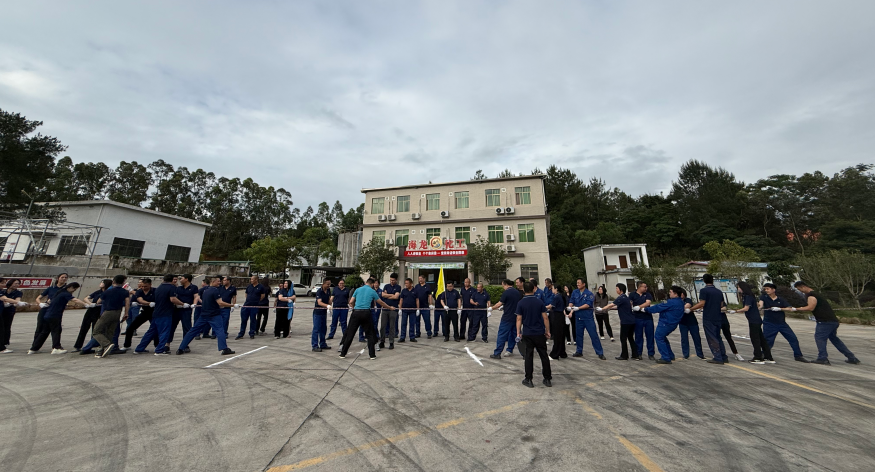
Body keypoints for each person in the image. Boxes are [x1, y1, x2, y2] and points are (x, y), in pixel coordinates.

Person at [791, 281, 860, 365]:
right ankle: (852, 357)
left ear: (803, 286)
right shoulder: (817, 294)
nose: (800, 291)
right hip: (832, 321)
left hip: (824, 321)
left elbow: (810, 307)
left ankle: (822, 358)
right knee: (835, 340)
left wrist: (796, 309)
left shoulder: (811, 295)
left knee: (819, 338)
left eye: (799, 289)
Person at [176, 275, 235, 356]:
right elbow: (220, 303)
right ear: (213, 282)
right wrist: (232, 305)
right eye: (218, 281)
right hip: (214, 315)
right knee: (220, 331)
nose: (220, 282)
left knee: (193, 331)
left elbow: (198, 296)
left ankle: (181, 348)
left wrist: (196, 303)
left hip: (204, 314)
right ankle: (224, 348)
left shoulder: (204, 290)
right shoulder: (215, 291)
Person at [339, 278, 393, 360]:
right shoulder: (372, 291)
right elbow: (381, 302)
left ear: (365, 283)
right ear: (372, 284)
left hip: (356, 312)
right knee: (370, 334)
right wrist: (389, 307)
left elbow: (351, 302)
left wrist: (354, 307)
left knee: (350, 333)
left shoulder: (358, 290)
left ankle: (343, 353)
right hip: (366, 313)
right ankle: (372, 355)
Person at [29, 282, 85, 355]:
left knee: (44, 332)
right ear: (70, 287)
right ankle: (56, 347)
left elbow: (50, 301)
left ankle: (34, 348)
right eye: (74, 289)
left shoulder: (58, 293)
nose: (74, 290)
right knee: (56, 331)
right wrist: (86, 304)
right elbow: (75, 300)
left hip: (48, 314)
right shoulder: (65, 293)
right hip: (55, 315)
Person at [758, 283, 809, 363]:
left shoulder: (780, 299)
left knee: (793, 339)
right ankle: (763, 354)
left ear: (773, 289)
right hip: (769, 323)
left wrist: (780, 309)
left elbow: (789, 308)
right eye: (765, 289)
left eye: (768, 289)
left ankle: (798, 356)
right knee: (768, 341)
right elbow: (760, 305)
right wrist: (757, 306)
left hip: (781, 323)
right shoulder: (764, 297)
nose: (766, 290)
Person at [516, 281, 552, 388]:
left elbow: (519, 319)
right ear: (533, 289)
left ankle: (528, 379)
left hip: (528, 332)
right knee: (543, 355)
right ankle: (547, 378)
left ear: (524, 290)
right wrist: (547, 330)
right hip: (539, 332)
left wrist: (518, 332)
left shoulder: (521, 303)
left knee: (529, 355)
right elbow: (545, 318)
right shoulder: (539, 302)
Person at [690, 274, 729, 364]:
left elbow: (702, 303)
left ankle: (717, 357)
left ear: (704, 280)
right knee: (718, 336)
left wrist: (691, 309)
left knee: (711, 337)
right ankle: (723, 356)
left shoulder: (704, 291)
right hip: (718, 316)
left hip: (709, 317)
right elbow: (721, 304)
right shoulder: (719, 291)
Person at [731, 282, 774, 364]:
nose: (738, 289)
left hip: (754, 320)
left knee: (755, 339)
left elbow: (746, 308)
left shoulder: (747, 296)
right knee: (761, 339)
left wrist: (735, 311)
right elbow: (757, 305)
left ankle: (758, 357)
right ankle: (768, 357)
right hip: (756, 320)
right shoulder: (750, 296)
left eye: (739, 287)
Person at [134, 274, 177, 355]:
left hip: (156, 312)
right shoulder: (171, 288)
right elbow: (173, 299)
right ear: (172, 280)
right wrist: (182, 304)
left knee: (151, 332)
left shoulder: (159, 287)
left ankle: (139, 348)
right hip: (165, 313)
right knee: (164, 331)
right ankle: (159, 350)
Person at [644, 286, 686, 364]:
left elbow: (658, 307)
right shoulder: (681, 302)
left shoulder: (671, 302)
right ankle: (670, 355)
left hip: (666, 323)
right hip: (673, 323)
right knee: (663, 338)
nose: (669, 293)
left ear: (675, 294)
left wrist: (645, 309)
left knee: (659, 337)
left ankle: (666, 357)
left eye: (671, 292)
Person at [92, 274, 130, 357]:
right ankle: (103, 350)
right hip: (118, 312)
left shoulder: (107, 291)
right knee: (110, 331)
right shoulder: (125, 292)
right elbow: (127, 303)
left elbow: (98, 301)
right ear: (123, 283)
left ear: (113, 281)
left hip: (108, 312)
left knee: (96, 331)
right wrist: (126, 313)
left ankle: (106, 345)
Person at [568, 279, 606, 360]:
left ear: (583, 284)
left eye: (579, 283)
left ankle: (600, 352)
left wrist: (578, 308)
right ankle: (579, 351)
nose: (577, 284)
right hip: (578, 318)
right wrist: (570, 306)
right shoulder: (575, 292)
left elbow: (588, 305)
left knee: (593, 335)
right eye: (577, 283)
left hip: (588, 318)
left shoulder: (589, 294)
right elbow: (571, 301)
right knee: (578, 335)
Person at [602, 283, 639, 360]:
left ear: (621, 290)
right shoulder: (626, 298)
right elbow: (618, 307)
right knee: (630, 338)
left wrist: (602, 309)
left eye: (617, 288)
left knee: (623, 338)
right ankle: (635, 355)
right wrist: (610, 309)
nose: (616, 290)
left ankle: (624, 355)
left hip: (626, 321)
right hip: (632, 320)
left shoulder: (621, 298)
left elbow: (611, 304)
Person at [71, 279, 108, 352]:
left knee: (95, 329)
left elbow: (101, 302)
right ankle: (78, 346)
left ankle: (92, 345)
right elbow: (86, 298)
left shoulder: (107, 292)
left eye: (102, 282)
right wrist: (90, 303)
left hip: (99, 311)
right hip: (91, 310)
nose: (101, 283)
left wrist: (97, 304)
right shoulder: (98, 292)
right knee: (84, 328)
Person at [489, 279, 523, 359]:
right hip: (516, 318)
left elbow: (499, 303)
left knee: (502, 335)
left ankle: (497, 353)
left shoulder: (506, 292)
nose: (503, 287)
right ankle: (523, 353)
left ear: (506, 284)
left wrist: (491, 308)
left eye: (503, 285)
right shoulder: (517, 292)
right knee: (517, 335)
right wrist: (504, 307)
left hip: (507, 318)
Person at [33, 272, 68, 343]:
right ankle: (35, 344)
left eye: (65, 277)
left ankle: (56, 345)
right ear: (58, 278)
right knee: (40, 326)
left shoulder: (66, 290)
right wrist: (40, 304)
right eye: (62, 277)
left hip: (56, 311)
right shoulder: (51, 288)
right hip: (46, 309)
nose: (64, 279)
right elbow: (38, 298)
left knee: (56, 329)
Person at [123, 278, 156, 350]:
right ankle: (127, 345)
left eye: (145, 286)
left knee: (155, 329)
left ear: (150, 285)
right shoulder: (139, 291)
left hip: (154, 312)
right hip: (145, 312)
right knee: (130, 328)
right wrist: (149, 303)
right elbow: (140, 300)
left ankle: (157, 346)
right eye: (142, 286)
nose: (143, 288)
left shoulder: (155, 291)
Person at [629, 282, 655, 360]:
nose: (646, 288)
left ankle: (651, 353)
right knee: (638, 336)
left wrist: (639, 307)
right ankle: (638, 353)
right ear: (639, 287)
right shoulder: (632, 294)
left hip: (648, 318)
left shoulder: (647, 294)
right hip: (637, 318)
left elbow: (648, 303)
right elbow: (630, 303)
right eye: (644, 287)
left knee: (650, 336)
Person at [677, 288, 705, 360]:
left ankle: (700, 354)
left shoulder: (688, 300)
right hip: (682, 323)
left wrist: (678, 308)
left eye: (682, 294)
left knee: (696, 338)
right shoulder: (677, 301)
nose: (681, 295)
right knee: (684, 339)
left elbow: (688, 305)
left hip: (692, 322)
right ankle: (685, 354)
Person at [171, 274, 199, 343]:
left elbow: (196, 296)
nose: (180, 280)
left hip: (187, 310)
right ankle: (167, 343)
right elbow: (175, 297)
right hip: (177, 309)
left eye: (182, 278)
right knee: (172, 327)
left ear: (186, 279)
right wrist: (180, 304)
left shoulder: (193, 287)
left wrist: (194, 303)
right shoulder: (178, 288)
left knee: (187, 327)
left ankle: (185, 343)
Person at [1, 279, 26, 353]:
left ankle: (5, 342)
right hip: (2, 310)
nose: (17, 285)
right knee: (1, 328)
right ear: (10, 283)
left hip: (9, 311)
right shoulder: (3, 291)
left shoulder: (18, 292)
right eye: (15, 283)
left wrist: (15, 303)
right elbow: (4, 299)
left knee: (6, 326)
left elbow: (17, 301)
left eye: (18, 284)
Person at [237, 275, 264, 340]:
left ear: (256, 280)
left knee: (253, 320)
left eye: (252, 279)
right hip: (246, 305)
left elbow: (262, 296)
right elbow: (246, 294)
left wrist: (256, 301)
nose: (251, 280)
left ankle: (252, 333)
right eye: (251, 279)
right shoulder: (249, 286)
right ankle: (241, 334)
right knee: (244, 320)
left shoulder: (261, 287)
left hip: (254, 306)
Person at [312, 278, 332, 352]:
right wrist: (327, 305)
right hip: (318, 312)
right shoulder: (319, 291)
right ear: (323, 284)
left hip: (324, 312)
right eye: (327, 284)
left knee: (323, 329)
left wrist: (331, 301)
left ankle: (323, 344)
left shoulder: (328, 290)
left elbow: (329, 300)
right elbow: (319, 302)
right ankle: (315, 346)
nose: (328, 285)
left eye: (329, 284)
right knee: (316, 329)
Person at [548, 285, 568, 359]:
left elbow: (551, 306)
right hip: (561, 316)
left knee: (557, 335)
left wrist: (543, 307)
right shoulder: (561, 296)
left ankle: (555, 354)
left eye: (553, 288)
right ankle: (562, 352)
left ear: (556, 289)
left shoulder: (557, 297)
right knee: (561, 335)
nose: (552, 290)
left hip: (557, 316)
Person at [397, 278, 418, 344]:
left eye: (407, 283)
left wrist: (418, 309)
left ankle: (412, 337)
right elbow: (401, 300)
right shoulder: (403, 291)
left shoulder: (415, 291)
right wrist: (400, 309)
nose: (406, 284)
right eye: (405, 283)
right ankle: (402, 337)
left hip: (412, 310)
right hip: (404, 310)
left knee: (412, 324)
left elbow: (417, 300)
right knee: (403, 324)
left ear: (411, 283)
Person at [382, 274, 402, 341]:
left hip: (394, 307)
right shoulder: (386, 286)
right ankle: (386, 333)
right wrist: (391, 295)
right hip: (386, 307)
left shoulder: (398, 287)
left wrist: (387, 295)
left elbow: (396, 297)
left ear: (396, 280)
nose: (391, 281)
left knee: (394, 322)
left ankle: (395, 333)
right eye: (390, 280)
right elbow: (383, 295)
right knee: (385, 322)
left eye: (393, 280)